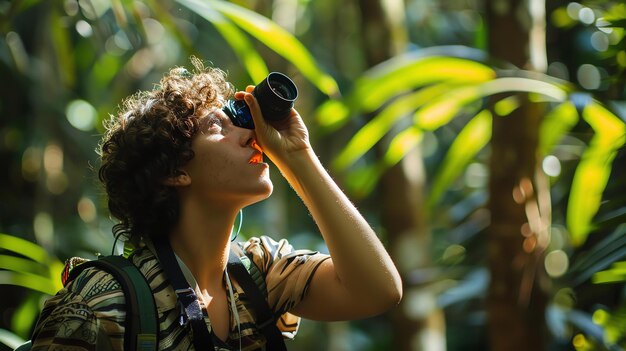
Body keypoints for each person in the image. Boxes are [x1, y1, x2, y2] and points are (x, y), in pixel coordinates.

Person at [29, 57, 402, 350]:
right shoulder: (104, 305)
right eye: (218, 127)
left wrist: (298, 156)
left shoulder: (260, 275)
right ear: (175, 172)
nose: (250, 136)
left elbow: (379, 290)